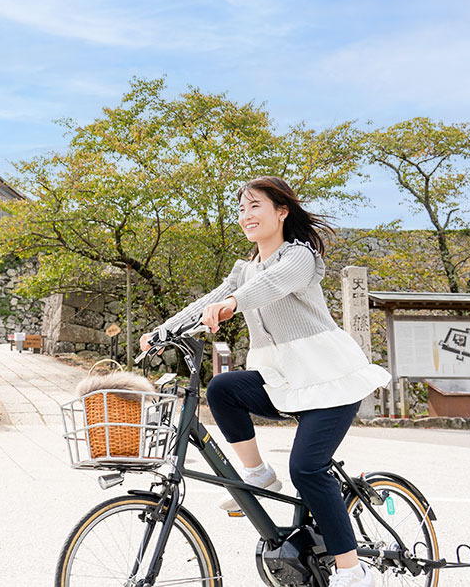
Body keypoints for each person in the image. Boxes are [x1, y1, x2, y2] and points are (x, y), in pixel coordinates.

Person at [140, 176, 390, 587]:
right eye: (241, 208)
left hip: (329, 381)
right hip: (284, 381)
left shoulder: (299, 257)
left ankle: (353, 570)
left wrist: (234, 303)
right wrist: (162, 331)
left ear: (281, 211)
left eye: (255, 205)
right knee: (222, 389)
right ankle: (256, 474)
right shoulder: (246, 270)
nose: (246, 215)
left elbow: (269, 286)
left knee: (307, 469)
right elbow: (207, 301)